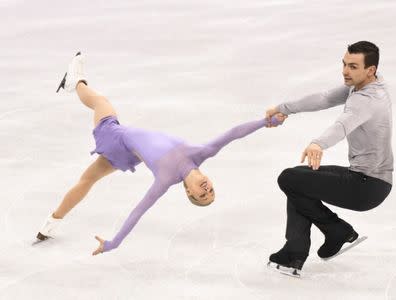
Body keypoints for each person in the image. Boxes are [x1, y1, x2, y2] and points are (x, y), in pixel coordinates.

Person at [36, 53, 286, 255]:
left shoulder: (166, 179)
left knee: (101, 103)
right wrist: (265, 122)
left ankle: (75, 82)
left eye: (202, 195)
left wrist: (115, 243)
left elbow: (137, 212)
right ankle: (51, 223)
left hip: (117, 139)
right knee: (87, 180)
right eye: (211, 191)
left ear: (189, 192)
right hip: (129, 152)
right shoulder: (201, 153)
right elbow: (234, 133)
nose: (207, 189)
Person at [265, 41, 393, 277]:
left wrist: (318, 143)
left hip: (367, 187)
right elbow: (324, 98)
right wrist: (283, 108)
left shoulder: (367, 99)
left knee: (290, 179)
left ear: (370, 69)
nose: (345, 71)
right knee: (297, 179)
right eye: (344, 64)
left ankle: (333, 232)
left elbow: (344, 123)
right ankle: (298, 251)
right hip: (366, 179)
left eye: (353, 66)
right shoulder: (366, 84)